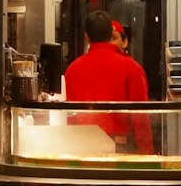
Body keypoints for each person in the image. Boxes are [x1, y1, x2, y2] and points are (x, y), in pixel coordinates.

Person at [64, 9, 153, 153]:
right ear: (111, 33)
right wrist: (147, 154)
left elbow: (69, 116)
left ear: (86, 36)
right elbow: (140, 117)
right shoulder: (132, 68)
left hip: (83, 146)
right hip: (121, 147)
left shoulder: (72, 69)